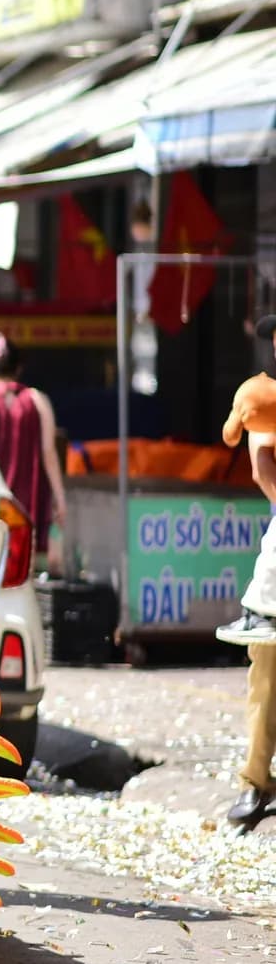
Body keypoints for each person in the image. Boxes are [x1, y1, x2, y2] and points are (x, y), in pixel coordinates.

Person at [217, 314, 276, 832]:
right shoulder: (262, 398)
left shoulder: (262, 396)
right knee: (266, 669)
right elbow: (259, 462)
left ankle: (255, 783)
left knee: (265, 678)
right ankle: (255, 782)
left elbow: (259, 464)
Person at [0, 333, 66, 563]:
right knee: (24, 571)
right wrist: (60, 499)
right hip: (26, 508)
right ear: (19, 368)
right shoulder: (38, 401)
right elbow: (49, 455)